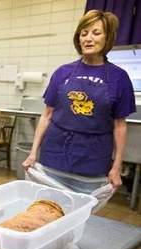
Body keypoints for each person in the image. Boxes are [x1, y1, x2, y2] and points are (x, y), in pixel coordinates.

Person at [23, 10, 136, 190]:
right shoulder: (62, 72)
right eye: (84, 33)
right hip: (54, 154)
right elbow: (46, 116)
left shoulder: (119, 78)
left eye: (96, 33)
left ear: (108, 38)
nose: (88, 38)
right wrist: (33, 152)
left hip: (93, 159)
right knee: (47, 209)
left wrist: (116, 166)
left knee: (80, 213)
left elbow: (120, 126)